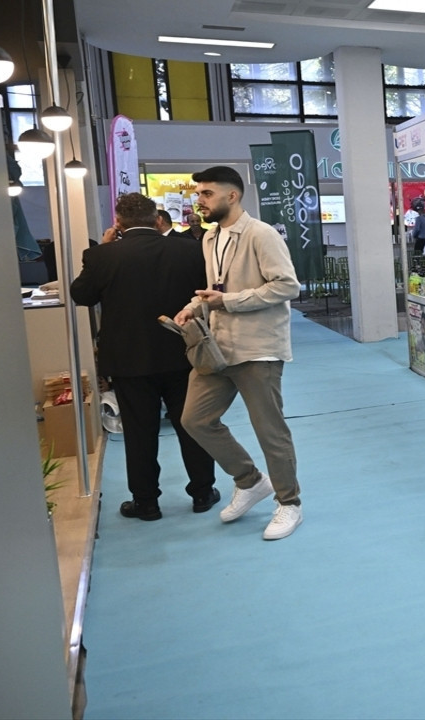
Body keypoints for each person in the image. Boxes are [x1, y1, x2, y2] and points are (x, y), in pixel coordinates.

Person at [173, 166, 304, 540]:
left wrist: (228, 301)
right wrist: (193, 307)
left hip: (258, 348)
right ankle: (249, 480)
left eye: (207, 193)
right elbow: (216, 288)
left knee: (270, 430)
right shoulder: (210, 238)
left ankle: (289, 503)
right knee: (195, 419)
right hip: (216, 348)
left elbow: (287, 286)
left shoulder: (261, 234)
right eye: (199, 194)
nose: (200, 201)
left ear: (232, 196)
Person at [69, 193, 218, 521]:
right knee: (192, 425)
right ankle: (203, 492)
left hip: (129, 360)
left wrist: (103, 247)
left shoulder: (102, 255)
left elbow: (81, 295)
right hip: (184, 353)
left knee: (139, 433)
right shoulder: (190, 250)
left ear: (118, 222)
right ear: (157, 220)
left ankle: (146, 502)